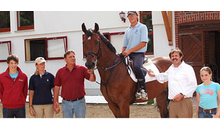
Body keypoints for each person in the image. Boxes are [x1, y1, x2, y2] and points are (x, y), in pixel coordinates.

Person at [148, 48, 197, 118]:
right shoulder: (171, 68)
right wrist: (154, 75)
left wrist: (182, 94)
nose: (174, 58)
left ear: (181, 57)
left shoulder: (187, 68)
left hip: (184, 101)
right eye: (172, 56)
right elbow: (164, 76)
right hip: (173, 103)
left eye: (176, 56)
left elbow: (193, 84)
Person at [53, 50, 96, 118]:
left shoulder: (82, 69)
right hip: (66, 103)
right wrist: (55, 102)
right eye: (70, 57)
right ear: (65, 59)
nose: (73, 58)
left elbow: (92, 79)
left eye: (74, 56)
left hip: (80, 102)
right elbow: (57, 87)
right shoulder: (60, 71)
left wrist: (91, 71)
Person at [122, 11, 148, 100]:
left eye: (133, 15)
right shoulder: (127, 30)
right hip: (128, 53)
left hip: (138, 54)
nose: (131, 17)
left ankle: (143, 89)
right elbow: (125, 45)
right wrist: (122, 53)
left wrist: (129, 51)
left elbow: (143, 43)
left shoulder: (142, 27)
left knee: (137, 67)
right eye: (129, 15)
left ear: (137, 16)